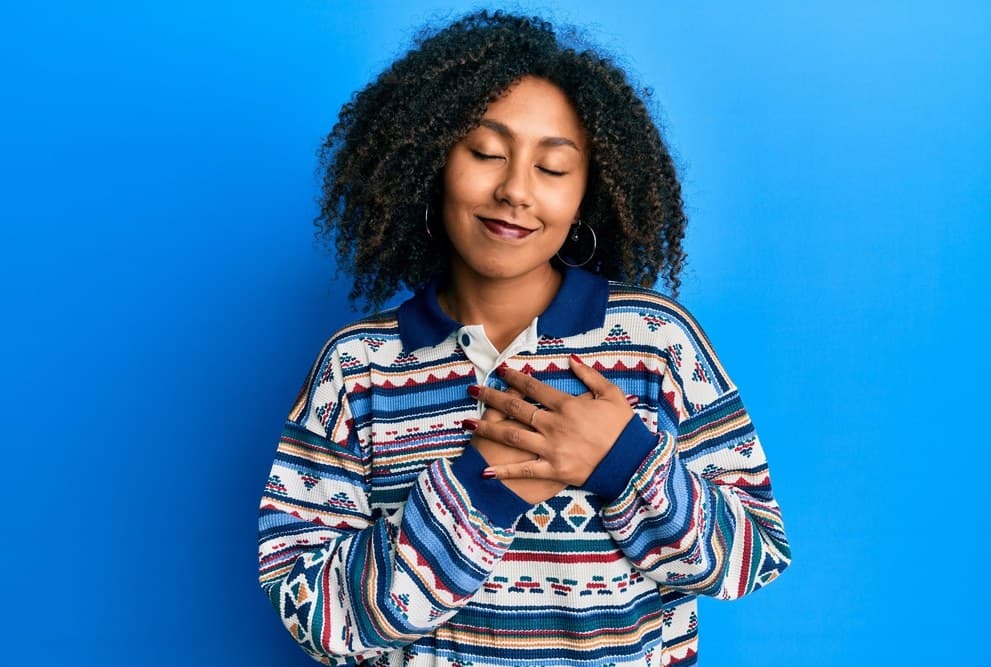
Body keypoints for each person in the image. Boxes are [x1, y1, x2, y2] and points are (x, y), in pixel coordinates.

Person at [258, 11, 791, 667]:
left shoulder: (658, 344)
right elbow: (312, 610)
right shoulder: (357, 370)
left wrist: (625, 461)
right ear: (431, 159)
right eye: (486, 153)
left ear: (588, 194)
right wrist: (478, 492)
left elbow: (753, 557)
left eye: (554, 168)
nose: (514, 190)